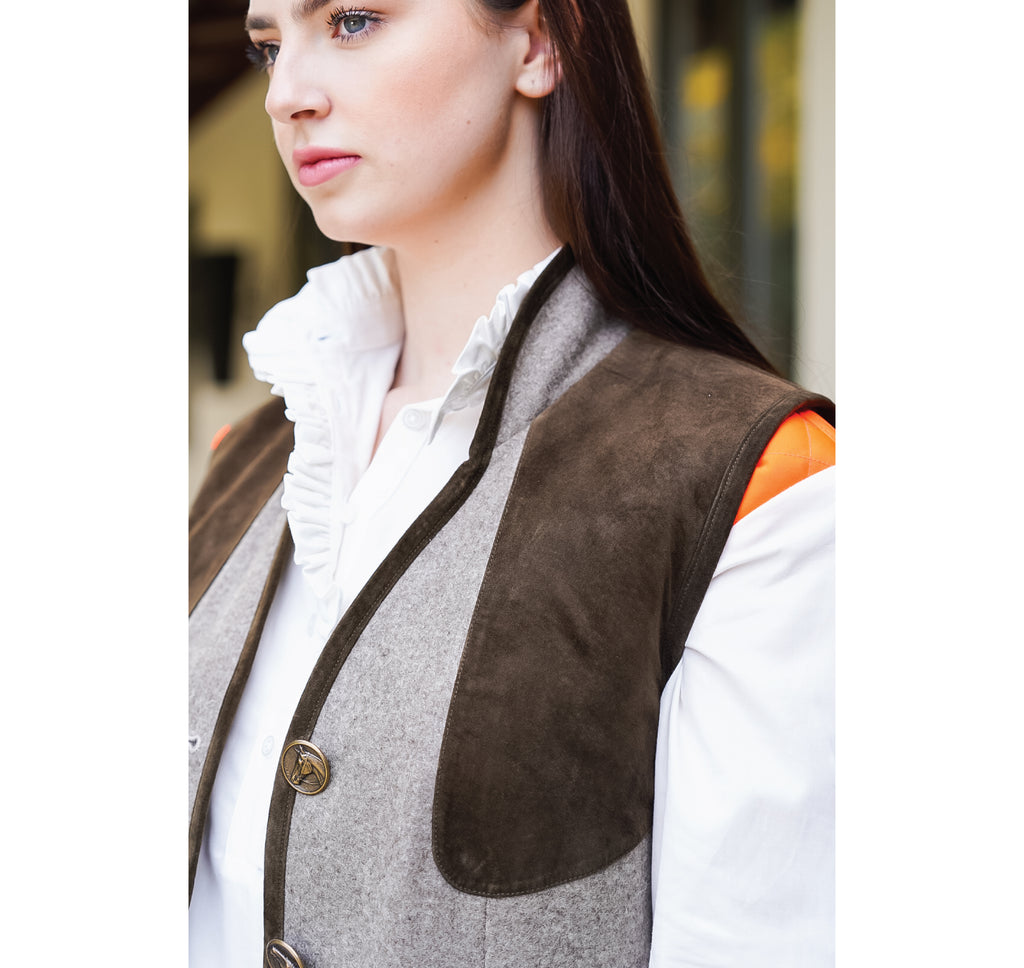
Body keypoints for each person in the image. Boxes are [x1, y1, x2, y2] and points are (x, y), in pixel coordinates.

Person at [188, 0, 835, 965]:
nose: (287, 95)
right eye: (269, 47)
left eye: (353, 21)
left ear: (537, 44)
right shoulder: (248, 458)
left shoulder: (756, 480)